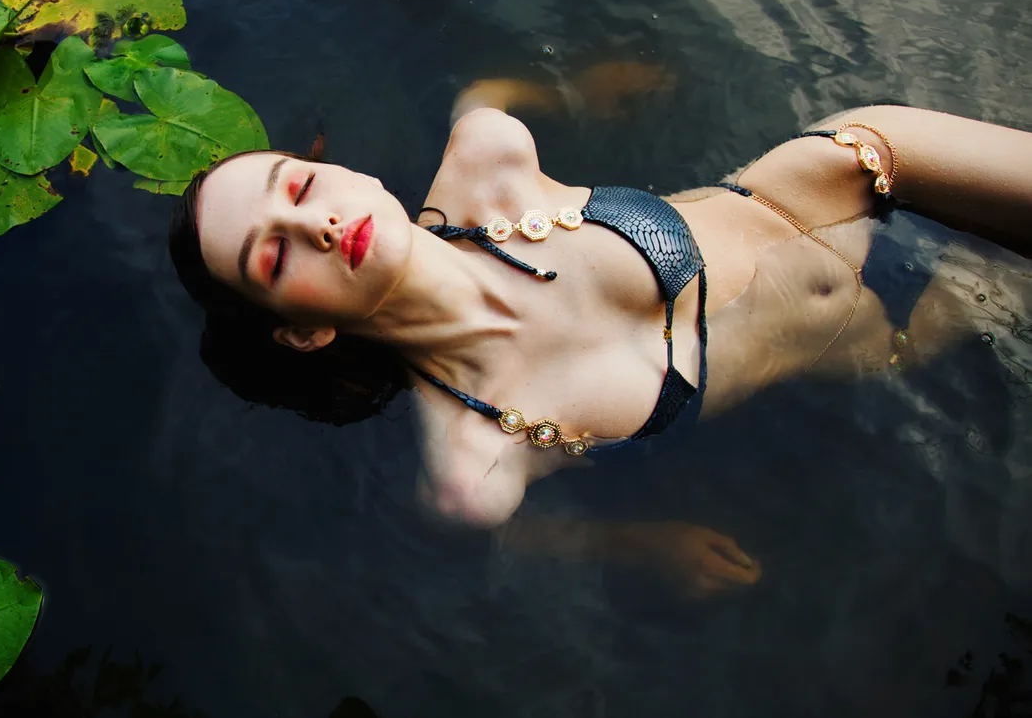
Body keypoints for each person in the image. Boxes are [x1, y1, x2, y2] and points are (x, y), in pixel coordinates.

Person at [169, 77, 1032, 597]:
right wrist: (640, 546)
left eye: (300, 183)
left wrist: (579, 85)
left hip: (860, 167)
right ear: (305, 332)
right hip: (883, 344)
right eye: (275, 253)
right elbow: (495, 538)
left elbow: (487, 96)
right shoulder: (476, 467)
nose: (315, 221)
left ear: (341, 170)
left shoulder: (486, 159)